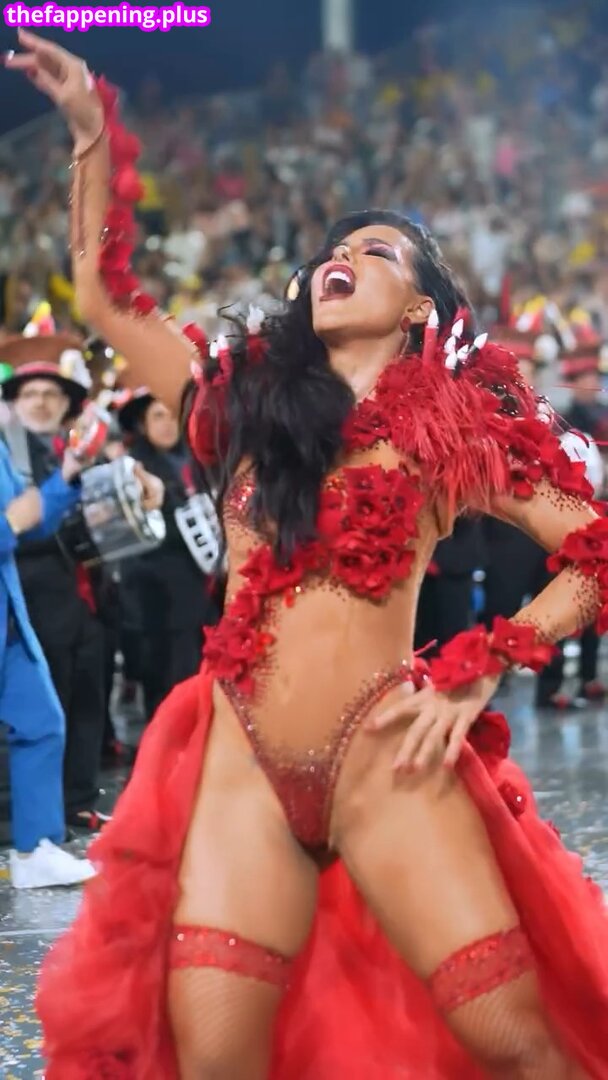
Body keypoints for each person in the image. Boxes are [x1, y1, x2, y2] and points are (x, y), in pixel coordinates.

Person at [8, 32, 608, 1079]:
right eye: (338, 247)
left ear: (419, 307)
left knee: (518, 1047)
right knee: (216, 1064)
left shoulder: (451, 429)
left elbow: (594, 549)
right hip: (241, 764)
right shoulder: (238, 405)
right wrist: (92, 134)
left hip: (385, 760)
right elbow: (104, 300)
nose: (346, 255)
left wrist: (483, 668)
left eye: (378, 251)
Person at [0, 408, 94, 888]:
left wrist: (67, 475)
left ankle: (36, 848)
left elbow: (28, 520)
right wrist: (7, 525)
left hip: (9, 615)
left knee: (42, 723)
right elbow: (12, 523)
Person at [117, 388, 219, 720]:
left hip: (198, 594)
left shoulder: (195, 460)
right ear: (142, 424)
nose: (167, 424)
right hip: (157, 597)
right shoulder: (134, 468)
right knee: (166, 690)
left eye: (172, 416)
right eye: (158, 416)